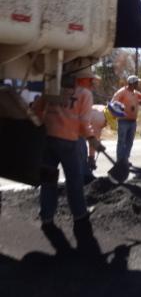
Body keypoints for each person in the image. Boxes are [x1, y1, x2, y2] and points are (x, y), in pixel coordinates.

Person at [32, 68, 105, 255]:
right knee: (74, 180)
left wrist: (44, 125)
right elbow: (83, 123)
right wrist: (93, 139)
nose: (91, 84)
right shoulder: (84, 94)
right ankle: (80, 215)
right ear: (82, 80)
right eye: (89, 80)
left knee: (48, 180)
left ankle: (46, 216)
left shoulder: (52, 88)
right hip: (69, 143)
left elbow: (36, 110)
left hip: (49, 140)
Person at [112, 75, 141, 164]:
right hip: (123, 121)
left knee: (129, 142)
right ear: (132, 83)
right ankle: (119, 160)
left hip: (133, 121)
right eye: (136, 83)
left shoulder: (135, 93)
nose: (137, 85)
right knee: (121, 141)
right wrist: (120, 110)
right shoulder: (122, 92)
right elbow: (113, 103)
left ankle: (125, 159)